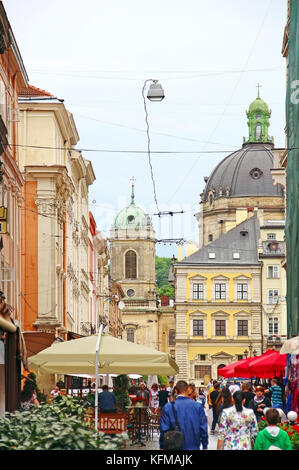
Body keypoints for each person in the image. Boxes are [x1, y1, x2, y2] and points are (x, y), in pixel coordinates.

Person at [160, 380, 208, 450]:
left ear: (176, 391)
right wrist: (205, 446)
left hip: (174, 446)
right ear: (187, 390)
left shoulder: (168, 407)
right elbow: (203, 429)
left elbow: (164, 429)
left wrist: (162, 446)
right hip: (193, 445)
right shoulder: (198, 406)